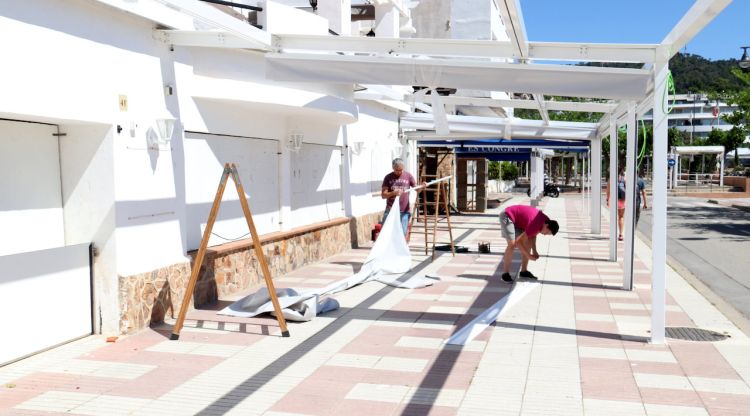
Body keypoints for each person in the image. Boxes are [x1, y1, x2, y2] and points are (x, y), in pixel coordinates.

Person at [499, 204, 559, 282]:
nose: (545, 235)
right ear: (546, 225)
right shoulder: (535, 223)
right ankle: (505, 274)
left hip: (518, 221)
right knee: (512, 244)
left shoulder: (545, 221)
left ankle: (523, 271)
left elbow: (532, 236)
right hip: (507, 215)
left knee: (528, 243)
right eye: (547, 232)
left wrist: (534, 250)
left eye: (548, 234)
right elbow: (518, 241)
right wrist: (529, 255)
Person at [381, 158, 417, 235]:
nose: (399, 172)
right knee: (385, 232)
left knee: (402, 234)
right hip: (390, 209)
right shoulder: (388, 177)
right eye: (397, 170)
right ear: (393, 168)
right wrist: (394, 193)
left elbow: (417, 189)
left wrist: (422, 187)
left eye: (401, 170)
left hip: (404, 210)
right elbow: (383, 195)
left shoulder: (408, 176)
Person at [606, 167, 626, 241]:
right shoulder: (624, 178)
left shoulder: (611, 179)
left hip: (613, 199)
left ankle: (613, 233)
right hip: (622, 199)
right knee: (621, 217)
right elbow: (627, 189)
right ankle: (620, 234)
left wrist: (608, 200)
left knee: (613, 217)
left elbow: (608, 191)